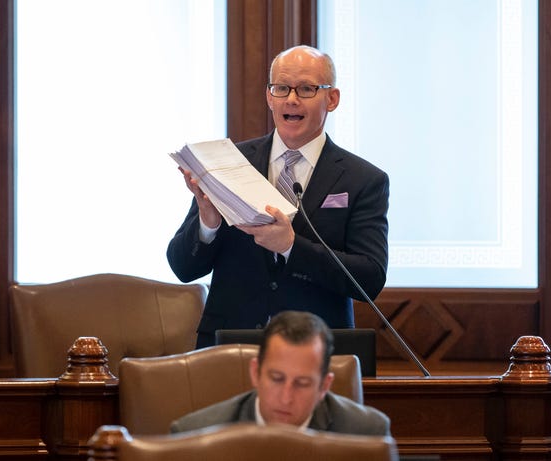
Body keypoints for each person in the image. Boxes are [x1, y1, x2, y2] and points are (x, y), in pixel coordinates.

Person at [167, 45, 389, 348]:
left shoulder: (363, 179)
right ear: (269, 96)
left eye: (307, 89)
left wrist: (291, 247)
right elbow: (183, 268)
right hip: (229, 348)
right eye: (281, 88)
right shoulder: (229, 163)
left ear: (332, 99)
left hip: (316, 352)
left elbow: (370, 279)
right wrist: (208, 223)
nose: (292, 99)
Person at [170, 310, 391, 436]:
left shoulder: (366, 432)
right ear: (256, 373)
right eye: (276, 379)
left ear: (324, 385)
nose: (286, 398)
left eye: (302, 383)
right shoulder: (197, 434)